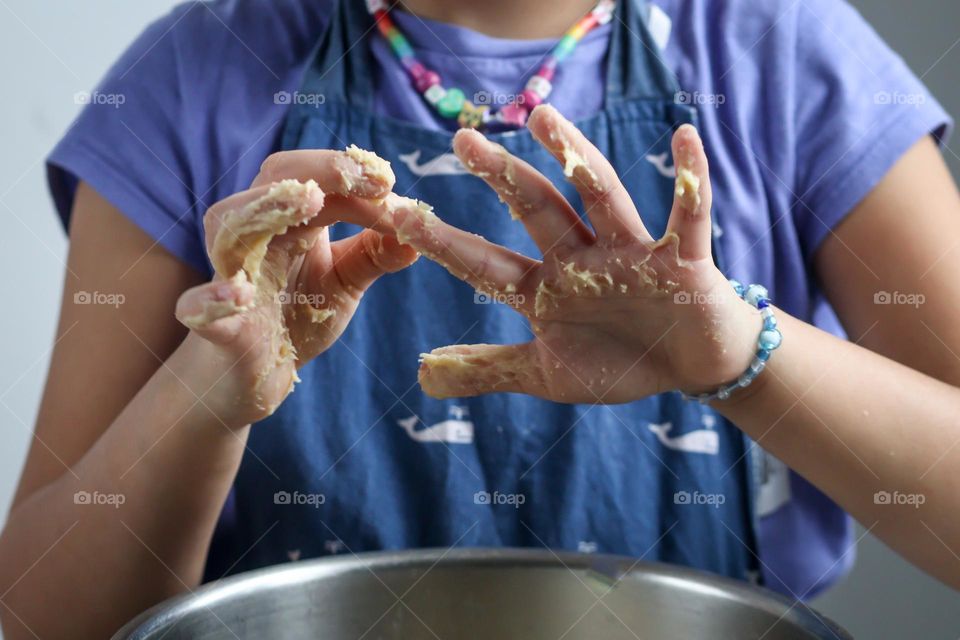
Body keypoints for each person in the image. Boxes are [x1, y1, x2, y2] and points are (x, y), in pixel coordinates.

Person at [2, 0, 959, 637]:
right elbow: (46, 614)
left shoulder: (776, 55)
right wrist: (209, 390)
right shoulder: (196, 77)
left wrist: (745, 356)